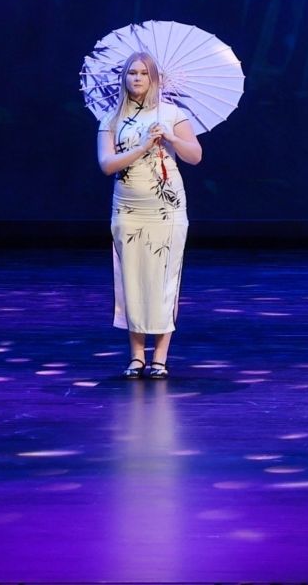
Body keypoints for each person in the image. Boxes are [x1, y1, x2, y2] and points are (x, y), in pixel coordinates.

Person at [96, 51, 201, 379]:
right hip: (128, 209)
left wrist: (170, 137)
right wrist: (141, 146)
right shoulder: (111, 119)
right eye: (132, 73)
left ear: (155, 78)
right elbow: (106, 164)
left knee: (164, 279)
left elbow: (195, 156)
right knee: (133, 279)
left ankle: (161, 357)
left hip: (166, 208)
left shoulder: (172, 114)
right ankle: (137, 355)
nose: (137, 78)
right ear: (124, 78)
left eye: (144, 73)